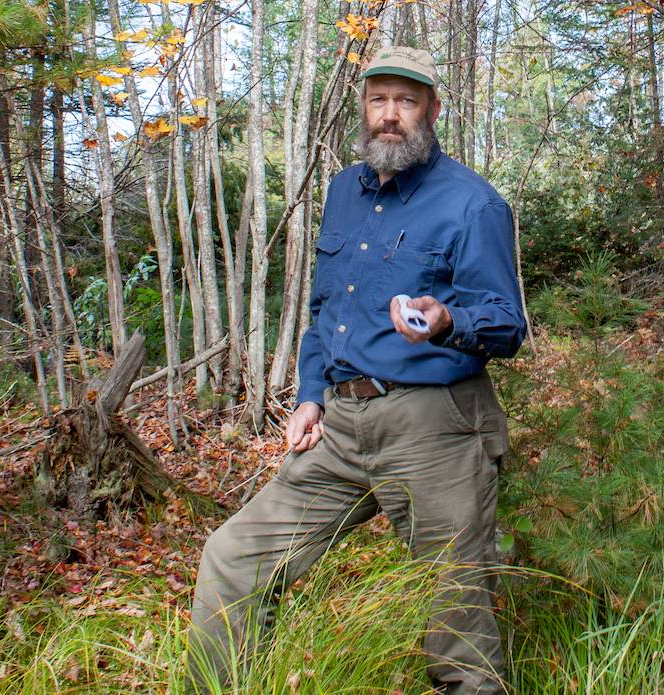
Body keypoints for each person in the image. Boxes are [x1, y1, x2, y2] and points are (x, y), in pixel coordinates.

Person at [189, 45, 528, 695]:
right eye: (379, 99)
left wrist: (449, 318)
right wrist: (310, 394)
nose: (390, 115)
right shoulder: (346, 190)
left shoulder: (473, 203)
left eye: (406, 100)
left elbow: (507, 324)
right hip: (341, 424)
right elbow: (327, 308)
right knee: (232, 559)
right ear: (363, 106)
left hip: (436, 427)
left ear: (432, 108)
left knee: (457, 625)